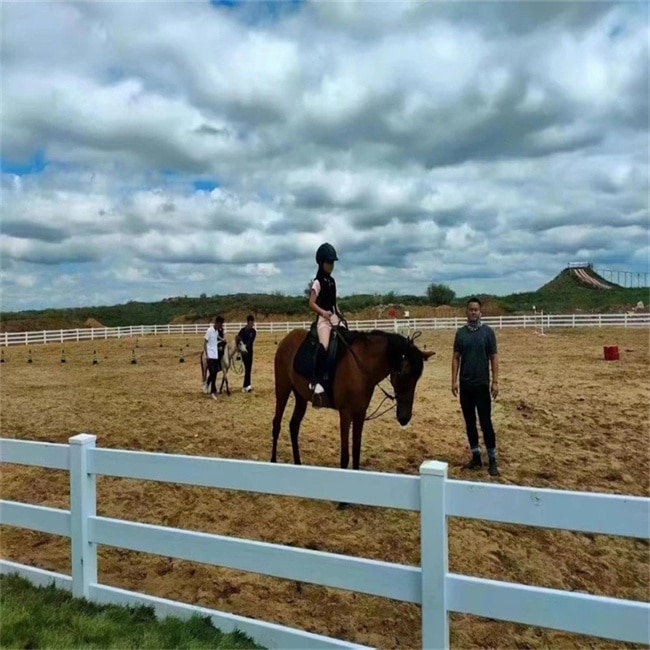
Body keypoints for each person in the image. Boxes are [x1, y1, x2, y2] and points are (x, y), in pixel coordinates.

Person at [451, 297, 500, 476]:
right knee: (470, 422)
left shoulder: (488, 333)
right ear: (467, 312)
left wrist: (495, 381)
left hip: (482, 385)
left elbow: (494, 357)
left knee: (486, 422)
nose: (473, 312)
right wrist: (453, 380)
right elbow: (456, 357)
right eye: (470, 309)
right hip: (465, 385)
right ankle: (476, 456)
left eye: (476, 310)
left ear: (480, 312)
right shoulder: (460, 334)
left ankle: (492, 459)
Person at [308, 242, 343, 395]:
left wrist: (340, 314)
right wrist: (323, 313)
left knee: (346, 340)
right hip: (323, 319)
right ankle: (315, 380)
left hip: (334, 317)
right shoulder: (317, 282)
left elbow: (335, 303)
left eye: (332, 262)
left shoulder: (332, 281)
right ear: (321, 263)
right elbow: (311, 303)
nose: (331, 265)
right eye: (329, 262)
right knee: (325, 345)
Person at [236, 314, 257, 392]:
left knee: (248, 369)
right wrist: (240, 349)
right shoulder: (242, 331)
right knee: (247, 368)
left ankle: (246, 385)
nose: (252, 324)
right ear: (248, 322)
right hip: (244, 352)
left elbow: (250, 342)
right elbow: (238, 339)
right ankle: (247, 386)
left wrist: (245, 346)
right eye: (251, 323)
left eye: (253, 323)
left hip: (250, 352)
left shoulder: (253, 331)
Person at [203, 316, 221, 400]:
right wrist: (206, 355)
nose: (220, 326)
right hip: (210, 355)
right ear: (216, 323)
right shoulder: (209, 330)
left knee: (215, 373)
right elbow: (205, 342)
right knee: (213, 373)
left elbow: (216, 338)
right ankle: (212, 391)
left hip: (215, 355)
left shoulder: (216, 331)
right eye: (220, 324)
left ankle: (207, 385)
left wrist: (222, 339)